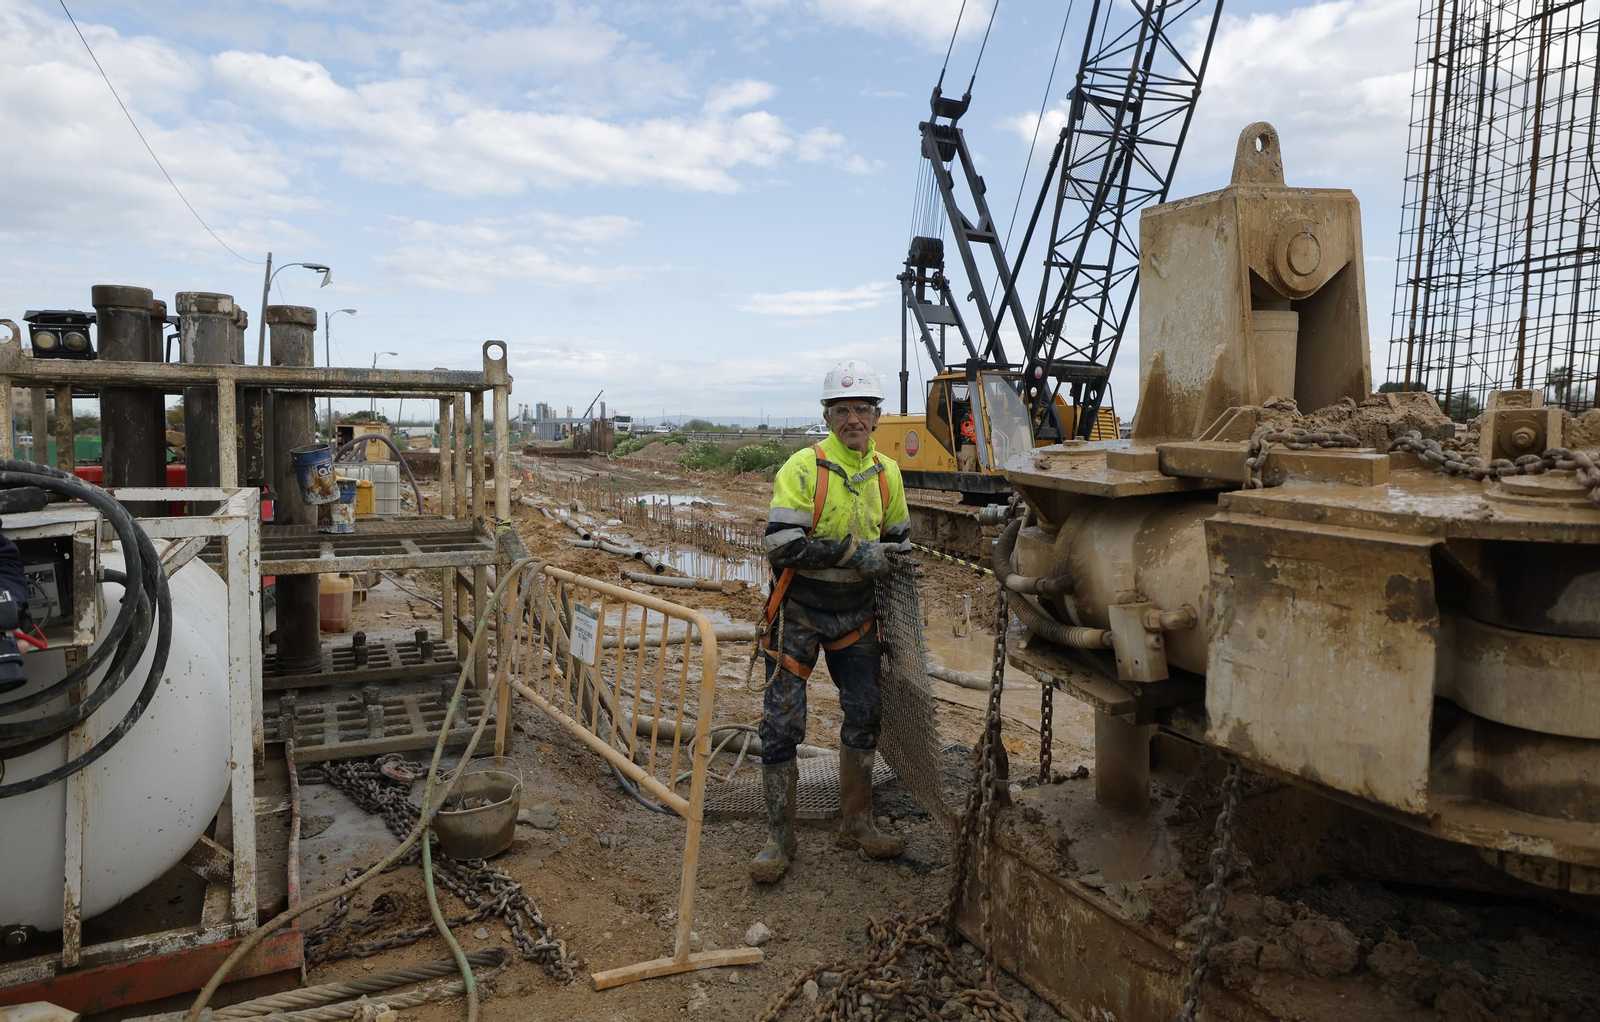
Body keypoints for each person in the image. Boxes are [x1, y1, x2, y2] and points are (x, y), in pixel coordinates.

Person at [752, 360, 911, 882]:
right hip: (799, 611)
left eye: (862, 408)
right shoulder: (803, 467)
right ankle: (780, 836)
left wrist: (892, 559)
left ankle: (857, 823)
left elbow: (898, 547)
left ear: (877, 416)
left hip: (857, 617)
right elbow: (780, 544)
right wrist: (851, 554)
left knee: (865, 714)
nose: (853, 418)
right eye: (842, 409)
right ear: (828, 415)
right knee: (780, 725)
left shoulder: (888, 474)